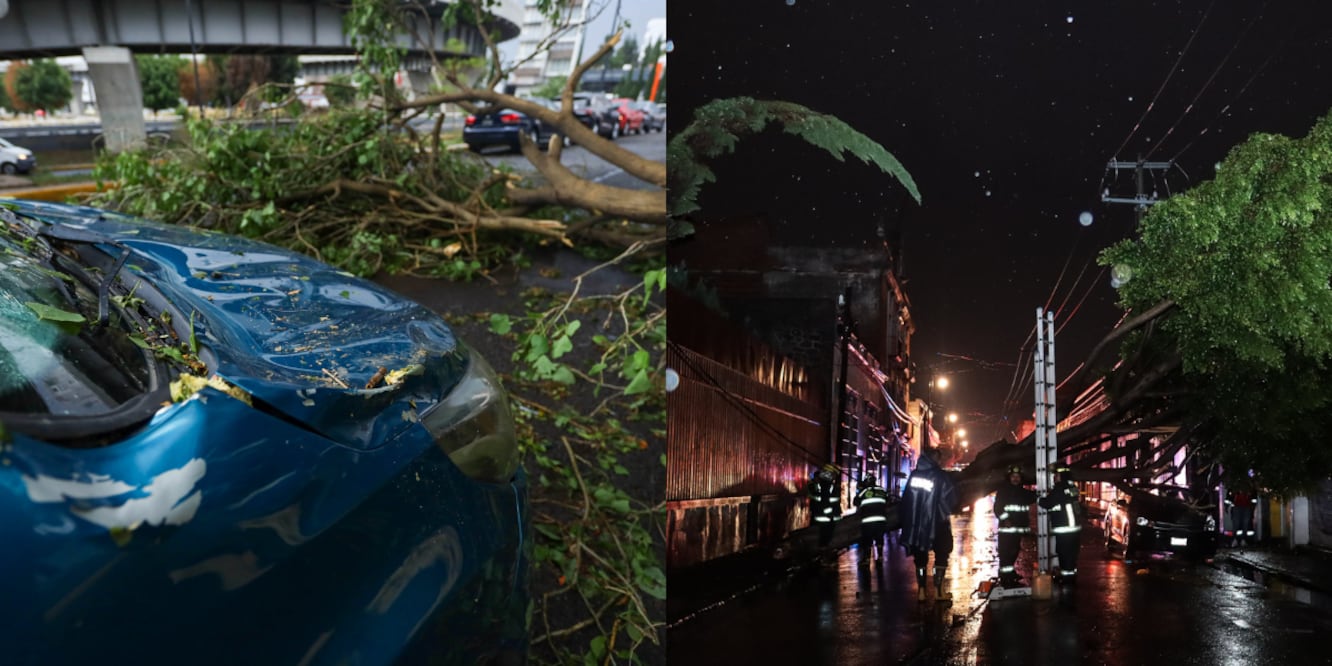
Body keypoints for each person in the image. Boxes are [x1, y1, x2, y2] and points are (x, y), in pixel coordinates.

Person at [900, 447, 958, 601]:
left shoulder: (914, 476)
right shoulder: (941, 476)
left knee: (920, 557)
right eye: (939, 459)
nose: (940, 461)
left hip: (916, 524)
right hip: (938, 523)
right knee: (942, 553)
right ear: (934, 459)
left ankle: (921, 591)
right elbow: (950, 499)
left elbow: (906, 499)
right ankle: (939, 592)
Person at [1038, 463, 1083, 584]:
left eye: (1056, 475)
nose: (1054, 477)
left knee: (1064, 553)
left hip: (1065, 528)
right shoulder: (1071, 486)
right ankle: (1070, 575)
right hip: (1074, 528)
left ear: (1061, 475)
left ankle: (1067, 579)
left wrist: (1039, 498)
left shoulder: (1059, 488)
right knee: (1071, 554)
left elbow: (1048, 503)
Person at [994, 464, 1036, 587]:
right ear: (1009, 477)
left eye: (1018, 477)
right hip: (1007, 530)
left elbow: (1032, 497)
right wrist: (1006, 519)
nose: (1016, 479)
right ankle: (1005, 577)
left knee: (1014, 552)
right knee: (1006, 553)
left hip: (1017, 529)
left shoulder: (1022, 492)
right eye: (1013, 476)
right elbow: (998, 508)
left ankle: (1010, 573)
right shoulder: (1003, 491)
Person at [854, 473, 891, 564]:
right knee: (879, 538)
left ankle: (866, 559)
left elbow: (856, 502)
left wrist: (859, 490)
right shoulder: (882, 490)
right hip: (881, 520)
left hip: (868, 521)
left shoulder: (864, 491)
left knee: (867, 540)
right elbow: (888, 500)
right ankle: (880, 556)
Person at [809, 463, 842, 558]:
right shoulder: (826, 485)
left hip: (822, 515)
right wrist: (830, 514)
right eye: (835, 475)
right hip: (827, 518)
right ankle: (824, 557)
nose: (835, 477)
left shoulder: (821, 484)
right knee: (825, 538)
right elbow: (826, 501)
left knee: (821, 537)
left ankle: (821, 556)